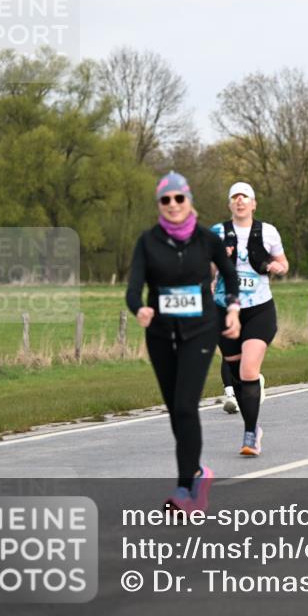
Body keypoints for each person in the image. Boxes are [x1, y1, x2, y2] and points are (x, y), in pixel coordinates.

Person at [126, 171, 240, 512]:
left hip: (200, 331)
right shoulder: (148, 242)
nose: (173, 204)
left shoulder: (206, 239)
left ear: (189, 201)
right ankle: (198, 473)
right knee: (176, 409)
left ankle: (185, 488)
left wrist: (233, 309)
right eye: (166, 199)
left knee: (186, 406)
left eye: (179, 198)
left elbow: (230, 275)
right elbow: (133, 287)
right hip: (160, 333)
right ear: (159, 205)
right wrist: (139, 309)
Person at [211, 181, 288, 457]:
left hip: (259, 309)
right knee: (236, 375)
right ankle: (253, 426)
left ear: (253, 204)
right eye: (235, 197)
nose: (240, 201)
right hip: (224, 309)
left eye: (245, 197)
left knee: (247, 371)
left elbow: (284, 264)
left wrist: (277, 267)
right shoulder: (217, 232)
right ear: (230, 204)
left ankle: (250, 435)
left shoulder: (268, 232)